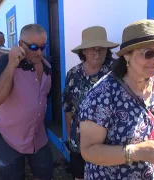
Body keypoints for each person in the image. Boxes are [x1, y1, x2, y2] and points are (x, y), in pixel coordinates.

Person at [78, 19, 154, 179]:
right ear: (127, 55)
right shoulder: (103, 94)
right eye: (148, 53)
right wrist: (135, 152)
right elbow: (88, 150)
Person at [0, 24, 53, 180]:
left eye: (43, 47)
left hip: (37, 136)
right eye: (33, 46)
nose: (39, 52)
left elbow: (42, 97)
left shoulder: (47, 65)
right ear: (20, 44)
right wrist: (12, 64)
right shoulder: (4, 63)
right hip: (8, 137)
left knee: (45, 173)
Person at [63, 26, 119, 179]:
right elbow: (68, 107)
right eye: (92, 49)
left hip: (108, 143)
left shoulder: (116, 72)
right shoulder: (73, 74)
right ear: (84, 51)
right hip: (78, 140)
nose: (97, 52)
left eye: (101, 48)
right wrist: (69, 138)